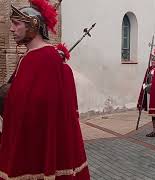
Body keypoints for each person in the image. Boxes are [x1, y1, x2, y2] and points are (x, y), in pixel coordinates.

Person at [0, 0, 90, 179]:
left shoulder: (48, 59)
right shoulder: (27, 58)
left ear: (33, 26)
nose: (11, 29)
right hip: (24, 141)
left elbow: (48, 110)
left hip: (38, 143)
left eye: (17, 24)